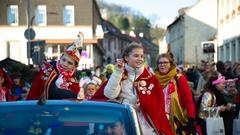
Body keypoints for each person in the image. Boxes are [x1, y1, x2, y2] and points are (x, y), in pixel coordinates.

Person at [92, 42, 173, 135]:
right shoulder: (120, 75)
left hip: (146, 126)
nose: (140, 59)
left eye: (142, 56)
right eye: (136, 56)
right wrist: (118, 72)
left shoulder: (151, 78)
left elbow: (158, 106)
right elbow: (109, 94)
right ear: (126, 58)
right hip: (123, 124)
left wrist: (144, 105)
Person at [26, 33, 84, 100]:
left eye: (69, 63)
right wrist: (74, 95)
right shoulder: (48, 69)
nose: (65, 64)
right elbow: (52, 92)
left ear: (74, 66)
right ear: (61, 57)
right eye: (64, 60)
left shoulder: (72, 78)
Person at [154, 53, 198, 135]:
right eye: (160, 63)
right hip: (160, 123)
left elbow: (188, 101)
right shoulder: (154, 80)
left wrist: (191, 119)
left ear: (170, 64)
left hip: (178, 123)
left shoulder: (179, 78)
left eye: (165, 62)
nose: (162, 65)